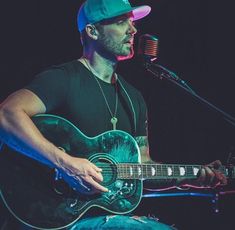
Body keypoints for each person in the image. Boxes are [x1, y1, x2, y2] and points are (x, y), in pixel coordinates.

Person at [0, 0, 227, 229]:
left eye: (132, 22)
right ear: (92, 31)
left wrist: (192, 177)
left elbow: (143, 168)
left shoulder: (134, 98)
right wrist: (66, 164)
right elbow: (7, 114)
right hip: (50, 215)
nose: (133, 30)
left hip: (101, 217)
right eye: (121, 22)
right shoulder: (63, 79)